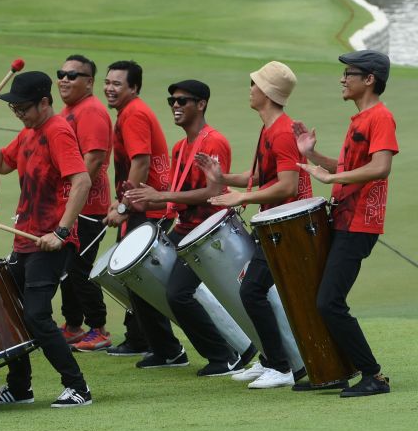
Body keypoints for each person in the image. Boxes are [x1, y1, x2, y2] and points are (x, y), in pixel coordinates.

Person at [0, 71, 94, 407]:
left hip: (51, 241)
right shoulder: (29, 134)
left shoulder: (57, 131)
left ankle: (78, 387)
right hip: (27, 239)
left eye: (23, 107)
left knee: (36, 315)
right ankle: (20, 387)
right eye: (15, 109)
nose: (19, 113)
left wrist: (62, 232)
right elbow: (1, 164)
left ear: (44, 102)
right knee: (8, 308)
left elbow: (82, 182)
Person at [197, 61, 312, 389]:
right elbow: (263, 176)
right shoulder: (269, 128)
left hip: (285, 227)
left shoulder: (282, 131)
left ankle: (281, 366)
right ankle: (272, 361)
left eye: (254, 84)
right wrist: (224, 180)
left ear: (267, 93)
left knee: (251, 290)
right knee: (252, 290)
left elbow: (288, 185)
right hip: (271, 224)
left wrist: (239, 199)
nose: (250, 89)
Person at [125, 80, 252, 376]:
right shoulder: (180, 146)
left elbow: (213, 191)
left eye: (183, 101)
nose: (175, 106)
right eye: (172, 101)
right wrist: (144, 200)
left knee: (178, 294)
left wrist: (162, 196)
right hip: (185, 228)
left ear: (202, 104)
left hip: (207, 234)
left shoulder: (213, 141)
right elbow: (179, 191)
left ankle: (226, 356)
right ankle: (167, 351)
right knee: (141, 280)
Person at [293, 50, 396, 397]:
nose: (343, 78)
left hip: (359, 224)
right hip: (344, 219)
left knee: (329, 302)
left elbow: (380, 166)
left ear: (369, 79)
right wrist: (312, 156)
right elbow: (345, 167)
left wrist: (326, 177)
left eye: (349, 73)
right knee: (321, 299)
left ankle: (373, 375)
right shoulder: (360, 119)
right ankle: (336, 371)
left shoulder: (379, 117)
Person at [101, 61, 186, 369]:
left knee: (141, 278)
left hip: (147, 207)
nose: (110, 88)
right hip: (144, 204)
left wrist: (123, 206)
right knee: (135, 278)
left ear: (134, 88)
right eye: (107, 82)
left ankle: (169, 350)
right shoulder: (129, 112)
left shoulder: (133, 114)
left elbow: (140, 163)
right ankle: (147, 340)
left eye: (117, 84)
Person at [54, 55, 113, 352]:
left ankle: (99, 328)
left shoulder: (90, 111)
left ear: (89, 82)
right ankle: (73, 326)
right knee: (67, 268)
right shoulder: (70, 110)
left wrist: (70, 195)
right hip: (75, 205)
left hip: (89, 208)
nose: (64, 79)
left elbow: (93, 160)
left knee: (79, 269)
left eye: (73, 75)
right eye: (61, 73)